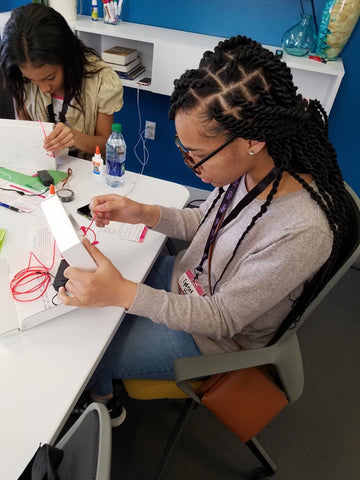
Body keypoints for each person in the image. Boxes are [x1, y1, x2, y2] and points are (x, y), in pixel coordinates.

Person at [58, 35, 348, 425]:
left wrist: (126, 294)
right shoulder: (250, 168)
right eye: (183, 147)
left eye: (196, 154)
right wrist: (143, 212)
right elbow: (205, 223)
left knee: (87, 353)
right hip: (185, 282)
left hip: (209, 337)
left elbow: (222, 318)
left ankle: (106, 403)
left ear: (252, 141)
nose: (188, 162)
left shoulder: (303, 230)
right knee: (89, 305)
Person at [0, 3, 123, 156]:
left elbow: (107, 147)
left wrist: (75, 137)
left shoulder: (100, 80)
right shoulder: (18, 77)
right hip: (45, 165)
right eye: (32, 80)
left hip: (88, 169)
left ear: (66, 58)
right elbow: (26, 134)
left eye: (50, 77)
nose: (44, 88)